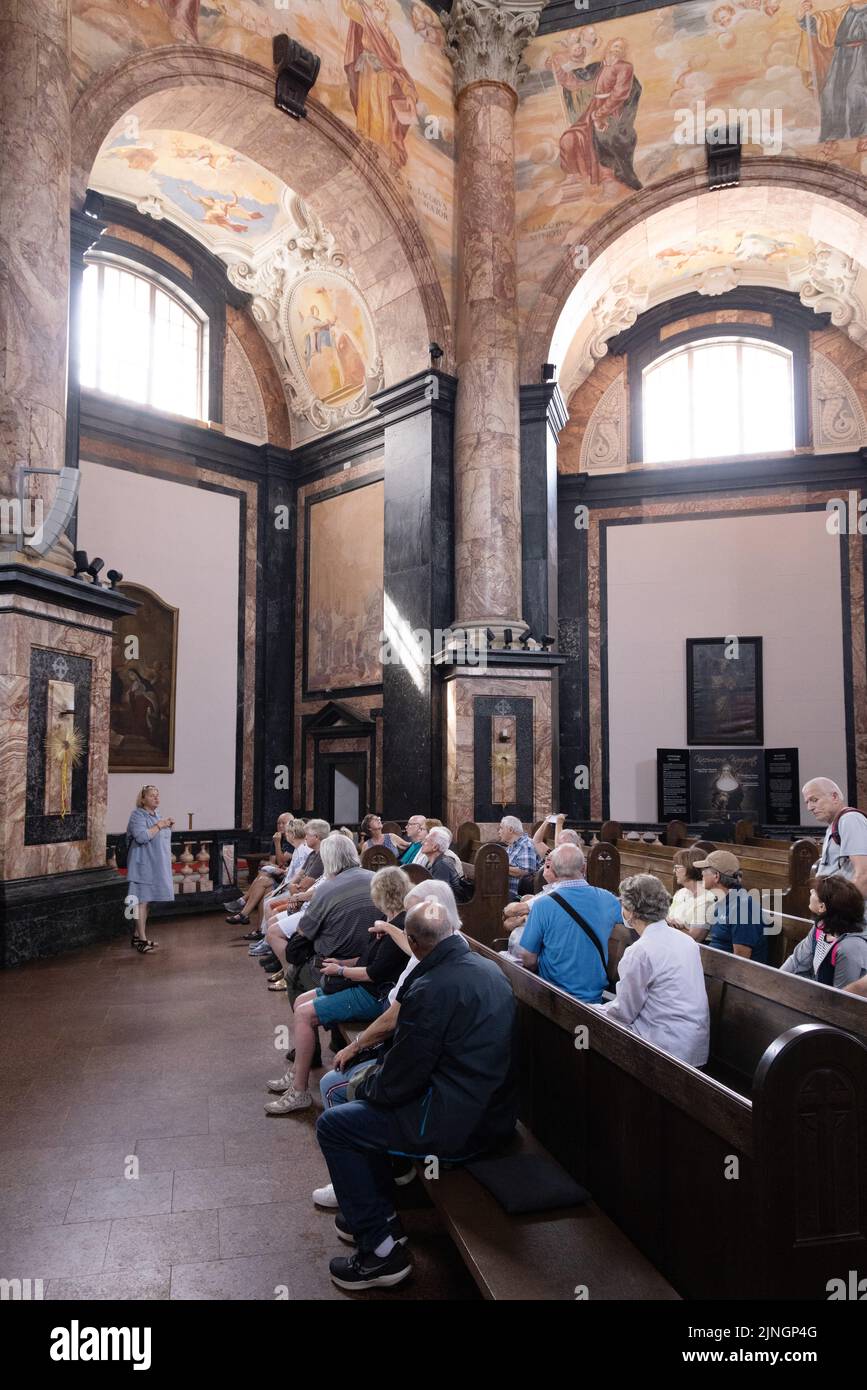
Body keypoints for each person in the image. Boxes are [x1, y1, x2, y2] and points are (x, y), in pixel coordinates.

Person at [315, 894, 517, 1290]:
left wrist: (365, 1084)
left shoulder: (430, 987)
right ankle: (381, 1217)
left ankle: (380, 1253)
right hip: (492, 1112)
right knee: (357, 1109)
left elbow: (399, 1081)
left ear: (417, 942)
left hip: (454, 1124)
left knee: (336, 1124)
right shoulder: (488, 969)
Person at [311, 878, 463, 1209]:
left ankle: (362, 1195)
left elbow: (399, 1027)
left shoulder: (432, 972)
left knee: (334, 1088)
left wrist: (359, 1051)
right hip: (429, 1069)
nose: (404, 928)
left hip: (435, 1092)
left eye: (411, 918)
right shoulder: (447, 952)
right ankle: (385, 1167)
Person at [266, 864, 410, 1115]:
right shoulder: (389, 920)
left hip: (374, 996)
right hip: (364, 985)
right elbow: (367, 959)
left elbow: (373, 973)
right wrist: (342, 963)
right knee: (301, 1001)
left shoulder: (398, 926)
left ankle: (299, 1092)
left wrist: (340, 971)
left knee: (304, 1014)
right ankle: (295, 1073)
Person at [596, 874, 710, 1067]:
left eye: (623, 904)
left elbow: (624, 1012)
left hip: (664, 1047)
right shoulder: (686, 940)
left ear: (631, 912)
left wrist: (591, 1009)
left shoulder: (640, 951)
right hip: (694, 1043)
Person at [518, 843, 622, 1001]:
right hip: (593, 997)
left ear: (554, 870)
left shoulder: (542, 904)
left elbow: (528, 958)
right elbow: (634, 920)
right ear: (584, 868)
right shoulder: (608, 899)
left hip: (553, 997)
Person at [781, 874, 867, 990]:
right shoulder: (821, 927)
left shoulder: (850, 948)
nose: (811, 891)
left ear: (822, 907)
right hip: (816, 993)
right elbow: (797, 961)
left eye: (815, 892)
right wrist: (774, 982)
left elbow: (843, 997)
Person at [694, 850, 770, 963]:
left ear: (716, 876)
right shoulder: (723, 901)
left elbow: (740, 961)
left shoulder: (742, 908)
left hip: (729, 976)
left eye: (705, 870)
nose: (701, 874)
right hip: (713, 966)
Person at [125, 785, 174, 954]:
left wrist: (167, 826)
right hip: (141, 865)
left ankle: (138, 936)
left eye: (157, 795)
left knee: (145, 902)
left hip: (153, 866)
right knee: (138, 901)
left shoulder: (156, 815)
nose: (156, 798)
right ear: (143, 799)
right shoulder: (137, 815)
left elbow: (158, 839)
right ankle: (142, 941)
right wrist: (160, 826)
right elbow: (141, 836)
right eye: (152, 796)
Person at [802, 777, 867, 899]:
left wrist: (831, 908)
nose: (809, 807)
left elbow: (864, 875)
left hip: (851, 915)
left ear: (834, 797)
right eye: (807, 802)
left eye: (814, 800)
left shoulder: (850, 820)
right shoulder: (835, 824)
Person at [669, 846, 721, 941]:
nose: (674, 871)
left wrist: (667, 924)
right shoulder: (681, 893)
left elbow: (694, 938)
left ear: (690, 868)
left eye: (677, 867)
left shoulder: (707, 898)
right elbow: (669, 918)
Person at [498, 815, 542, 893]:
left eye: (501, 828)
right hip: (505, 890)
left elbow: (526, 873)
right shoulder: (512, 845)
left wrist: (499, 866)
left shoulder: (526, 845)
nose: (499, 832)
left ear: (510, 830)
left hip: (517, 895)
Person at [418, 826, 463, 894]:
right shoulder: (433, 861)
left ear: (435, 847)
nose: (422, 843)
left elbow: (439, 894)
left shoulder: (442, 864)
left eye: (426, 841)